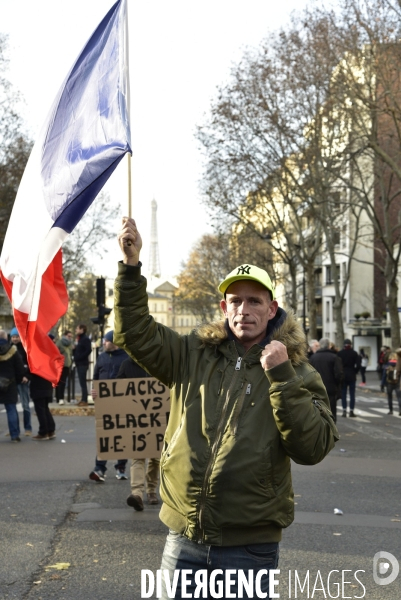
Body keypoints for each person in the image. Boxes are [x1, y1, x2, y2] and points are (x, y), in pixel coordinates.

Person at [114, 217, 339, 599]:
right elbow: (135, 333)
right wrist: (131, 268)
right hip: (183, 537)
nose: (244, 310)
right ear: (223, 307)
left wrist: (282, 378)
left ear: (272, 309)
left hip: (250, 547)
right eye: (236, 301)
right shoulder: (192, 352)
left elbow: (314, 447)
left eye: (255, 301)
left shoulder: (296, 369)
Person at [117, 357, 160, 511]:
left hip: (157, 418)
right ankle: (137, 494)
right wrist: (100, 394)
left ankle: (151, 490)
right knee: (138, 456)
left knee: (156, 458)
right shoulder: (127, 365)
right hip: (137, 419)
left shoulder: (159, 361)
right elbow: (116, 389)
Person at [89, 330, 129, 482]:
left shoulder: (127, 358)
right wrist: (94, 391)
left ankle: (121, 467)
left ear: (115, 343)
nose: (104, 343)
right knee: (104, 434)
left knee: (122, 434)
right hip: (104, 404)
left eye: (106, 340)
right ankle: (99, 468)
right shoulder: (102, 357)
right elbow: (96, 378)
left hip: (122, 404)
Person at [309, 338, 343, 422]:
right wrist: (337, 385)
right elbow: (339, 374)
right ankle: (331, 430)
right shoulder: (334, 357)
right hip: (330, 388)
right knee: (331, 411)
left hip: (316, 388)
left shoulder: (313, 358)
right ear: (329, 346)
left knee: (318, 410)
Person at [0, 329, 24, 441]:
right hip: (10, 384)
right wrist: (19, 380)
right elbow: (19, 368)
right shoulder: (13, 350)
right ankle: (14, 435)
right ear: (6, 338)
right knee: (11, 409)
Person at [9, 326, 32, 435]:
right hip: (12, 381)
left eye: (17, 336)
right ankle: (14, 429)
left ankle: (28, 428)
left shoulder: (25, 349)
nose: (15, 339)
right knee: (12, 406)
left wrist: (27, 376)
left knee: (25, 405)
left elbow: (30, 364)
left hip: (23, 380)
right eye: (13, 337)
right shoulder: (8, 348)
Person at [337, 338, 361, 417]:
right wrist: (355, 371)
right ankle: (351, 411)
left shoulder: (340, 353)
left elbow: (338, 365)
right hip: (351, 374)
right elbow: (358, 365)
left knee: (343, 393)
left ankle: (344, 410)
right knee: (352, 394)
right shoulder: (354, 353)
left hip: (343, 375)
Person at [30, 372, 57, 440]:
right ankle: (50, 430)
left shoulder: (35, 363)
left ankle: (43, 432)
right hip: (47, 385)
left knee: (40, 410)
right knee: (45, 408)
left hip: (38, 386)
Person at [73, 324, 92, 406]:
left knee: (83, 382)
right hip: (79, 363)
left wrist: (79, 357)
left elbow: (88, 350)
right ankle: (83, 399)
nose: (76, 330)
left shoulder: (85, 339)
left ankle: (85, 399)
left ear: (82, 330)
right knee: (81, 382)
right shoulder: (80, 339)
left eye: (77, 328)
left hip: (82, 363)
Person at [55, 330, 73, 404]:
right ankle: (59, 398)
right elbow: (55, 352)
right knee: (60, 382)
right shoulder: (59, 343)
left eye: (71, 336)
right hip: (60, 365)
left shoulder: (70, 344)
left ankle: (60, 398)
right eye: (68, 336)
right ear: (65, 335)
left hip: (67, 365)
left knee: (63, 382)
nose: (70, 338)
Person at [383, 351, 400, 415]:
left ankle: (391, 410)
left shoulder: (388, 364)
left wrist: (383, 383)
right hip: (397, 382)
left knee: (390, 397)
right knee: (399, 397)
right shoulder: (398, 363)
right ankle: (400, 410)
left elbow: (384, 375)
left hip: (389, 382)